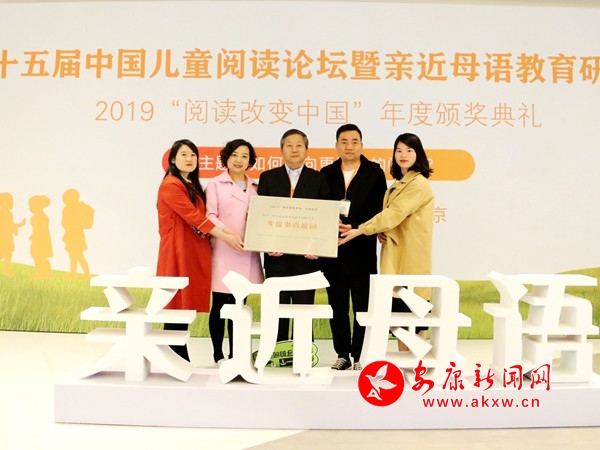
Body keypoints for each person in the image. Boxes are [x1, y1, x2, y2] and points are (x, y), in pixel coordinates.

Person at [338, 132, 434, 351]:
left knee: (414, 316)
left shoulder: (418, 184)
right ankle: (408, 364)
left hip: (411, 257)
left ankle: (415, 365)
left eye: (409, 150)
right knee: (401, 317)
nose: (403, 155)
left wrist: (361, 229)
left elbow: (393, 214)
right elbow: (393, 219)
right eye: (398, 150)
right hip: (397, 254)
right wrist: (383, 231)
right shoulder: (402, 182)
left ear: (418, 154)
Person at [156, 138, 243, 362]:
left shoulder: (190, 184)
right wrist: (225, 236)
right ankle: (174, 357)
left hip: (191, 250)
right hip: (177, 251)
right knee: (177, 302)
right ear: (172, 159)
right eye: (184, 154)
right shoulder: (171, 185)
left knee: (184, 304)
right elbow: (195, 217)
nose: (189, 159)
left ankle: (176, 357)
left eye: (193, 155)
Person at [320, 124, 387, 370]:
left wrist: (356, 226)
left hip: (362, 248)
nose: (349, 146)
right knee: (337, 306)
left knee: (362, 305)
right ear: (337, 145)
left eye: (354, 141)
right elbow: (319, 206)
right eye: (344, 141)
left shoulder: (374, 172)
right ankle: (342, 354)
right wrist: (331, 223)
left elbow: (379, 209)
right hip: (333, 249)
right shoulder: (326, 172)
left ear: (362, 145)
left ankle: (360, 355)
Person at [257, 128, 330, 342]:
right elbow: (262, 216)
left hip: (307, 259)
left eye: (299, 145)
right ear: (282, 150)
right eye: (289, 145)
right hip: (276, 258)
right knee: (276, 309)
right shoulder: (268, 178)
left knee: (303, 309)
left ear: (307, 150)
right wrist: (267, 244)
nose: (294, 149)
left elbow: (325, 218)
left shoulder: (319, 179)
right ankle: (276, 351)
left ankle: (304, 352)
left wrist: (318, 247)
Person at [205, 139, 264, 367]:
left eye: (244, 156)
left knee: (240, 305)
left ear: (250, 161)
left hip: (246, 251)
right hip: (223, 250)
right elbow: (210, 216)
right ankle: (218, 355)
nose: (239, 160)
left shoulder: (256, 187)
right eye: (235, 155)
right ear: (226, 158)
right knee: (220, 305)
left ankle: (236, 354)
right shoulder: (215, 184)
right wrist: (228, 235)